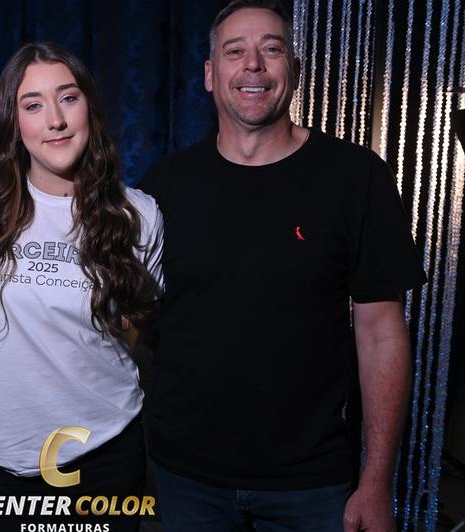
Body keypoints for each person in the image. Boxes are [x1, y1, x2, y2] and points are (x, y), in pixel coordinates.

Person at [138, 1, 427, 531]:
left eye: (271, 49)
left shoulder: (356, 177)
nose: (253, 64)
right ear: (210, 74)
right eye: (235, 52)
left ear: (293, 71)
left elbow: (381, 334)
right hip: (185, 478)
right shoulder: (164, 185)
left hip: (312, 482)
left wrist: (377, 481)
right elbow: (135, 322)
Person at [0, 42, 163, 531]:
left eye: (68, 98)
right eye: (33, 105)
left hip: (102, 456)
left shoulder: (138, 215)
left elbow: (144, 329)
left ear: (90, 107)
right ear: (13, 122)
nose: (56, 121)